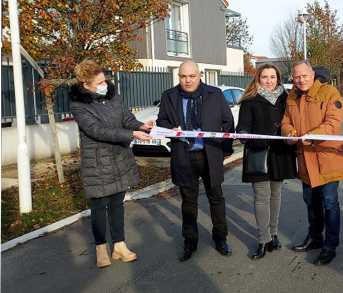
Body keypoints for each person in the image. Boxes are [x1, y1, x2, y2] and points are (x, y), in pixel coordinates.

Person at [68, 60, 154, 268]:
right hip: (97, 162)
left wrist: (140, 125)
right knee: (99, 205)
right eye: (99, 82)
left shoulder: (113, 96)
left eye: (104, 79)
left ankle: (120, 246)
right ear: (86, 85)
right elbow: (97, 131)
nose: (104, 83)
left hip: (119, 158)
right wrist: (132, 133)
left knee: (117, 203)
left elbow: (127, 119)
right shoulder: (79, 106)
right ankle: (100, 247)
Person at [155, 60, 235, 262]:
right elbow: (161, 121)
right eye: (183, 76)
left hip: (210, 154)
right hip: (184, 156)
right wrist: (170, 129)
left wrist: (226, 149)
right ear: (179, 77)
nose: (187, 80)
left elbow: (227, 122)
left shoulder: (214, 94)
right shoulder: (169, 96)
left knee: (216, 199)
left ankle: (220, 238)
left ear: (200, 75)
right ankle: (190, 241)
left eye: (192, 76)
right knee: (188, 202)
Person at [281, 61, 343, 266]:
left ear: (312, 74)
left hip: (326, 157)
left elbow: (333, 123)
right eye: (296, 77)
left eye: (304, 76)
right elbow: (285, 122)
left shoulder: (329, 93)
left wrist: (313, 135)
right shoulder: (292, 96)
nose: (301, 80)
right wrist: (289, 134)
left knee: (330, 203)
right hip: (304, 158)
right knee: (311, 201)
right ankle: (315, 237)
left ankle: (330, 245)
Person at [235, 64, 298, 260]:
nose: (269, 81)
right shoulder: (250, 101)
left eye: (272, 77)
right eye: (265, 77)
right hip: (258, 154)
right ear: (258, 79)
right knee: (261, 197)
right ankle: (263, 240)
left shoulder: (286, 99)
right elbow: (242, 126)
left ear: (278, 79)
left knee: (275, 194)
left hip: (280, 154)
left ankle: (274, 234)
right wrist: (244, 135)